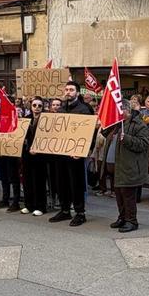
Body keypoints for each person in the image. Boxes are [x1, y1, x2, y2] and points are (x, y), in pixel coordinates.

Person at [50, 80, 93, 226]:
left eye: (71, 90)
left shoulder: (84, 109)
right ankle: (65, 210)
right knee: (61, 182)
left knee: (76, 183)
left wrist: (84, 151)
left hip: (75, 154)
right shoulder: (60, 109)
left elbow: (89, 133)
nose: (68, 92)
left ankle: (80, 213)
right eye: (67, 89)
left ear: (77, 92)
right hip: (60, 153)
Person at [111, 99, 149, 233]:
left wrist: (126, 138)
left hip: (131, 166)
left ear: (126, 110)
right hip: (119, 166)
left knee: (128, 196)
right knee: (119, 195)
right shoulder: (118, 124)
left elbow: (144, 144)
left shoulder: (139, 124)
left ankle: (132, 221)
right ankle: (122, 217)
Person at [22, 97, 48, 216]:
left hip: (40, 156)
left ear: (43, 107)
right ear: (31, 106)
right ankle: (29, 204)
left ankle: (40, 206)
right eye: (34, 105)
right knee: (27, 180)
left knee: (39, 181)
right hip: (27, 155)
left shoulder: (46, 120)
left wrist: (38, 149)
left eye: (39, 106)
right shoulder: (26, 119)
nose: (37, 108)